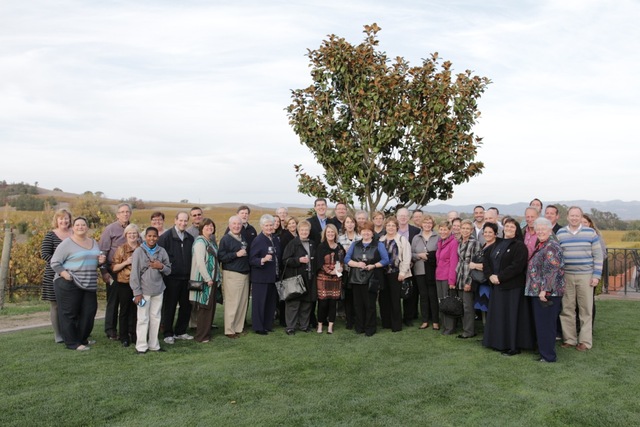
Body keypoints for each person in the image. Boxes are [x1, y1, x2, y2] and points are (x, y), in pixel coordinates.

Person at [50, 216, 106, 351]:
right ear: (73, 228)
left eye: (83, 225)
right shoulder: (66, 243)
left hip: (89, 283)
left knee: (89, 312)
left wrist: (100, 261)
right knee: (69, 313)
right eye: (77, 225)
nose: (80, 227)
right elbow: (55, 262)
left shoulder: (93, 242)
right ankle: (72, 343)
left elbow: (94, 261)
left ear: (87, 227)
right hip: (68, 282)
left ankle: (82, 339)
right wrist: (65, 275)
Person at [482, 217, 535, 356]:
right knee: (499, 317)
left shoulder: (519, 246)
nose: (509, 229)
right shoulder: (497, 243)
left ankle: (513, 346)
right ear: (503, 228)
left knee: (511, 318)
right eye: (507, 226)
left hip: (512, 288)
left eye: (512, 227)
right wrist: (490, 276)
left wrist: (500, 277)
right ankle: (498, 343)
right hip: (497, 287)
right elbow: (486, 260)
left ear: (516, 230)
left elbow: (517, 266)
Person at [557, 206, 603, 351]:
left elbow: (598, 256)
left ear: (581, 216)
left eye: (577, 216)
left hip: (586, 276)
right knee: (567, 308)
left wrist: (596, 276)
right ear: (567, 216)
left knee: (585, 309)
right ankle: (569, 339)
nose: (574, 218)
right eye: (572, 215)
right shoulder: (561, 233)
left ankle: (585, 341)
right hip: (567, 276)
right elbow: (557, 255)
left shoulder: (590, 233)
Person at [525, 218, 565, 362]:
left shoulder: (551, 246)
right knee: (542, 324)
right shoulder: (542, 244)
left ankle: (548, 356)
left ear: (550, 230)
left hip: (547, 293)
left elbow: (552, 270)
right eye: (538, 229)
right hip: (538, 291)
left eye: (543, 229)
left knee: (546, 325)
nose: (540, 231)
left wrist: (545, 290)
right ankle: (544, 353)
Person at [130, 227, 171, 354]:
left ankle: (154, 344)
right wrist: (137, 292)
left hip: (158, 290)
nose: (152, 238)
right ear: (145, 237)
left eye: (154, 236)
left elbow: (169, 270)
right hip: (144, 291)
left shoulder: (162, 251)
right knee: (143, 319)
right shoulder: (138, 251)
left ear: (158, 237)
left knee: (156, 318)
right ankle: (141, 346)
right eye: (149, 236)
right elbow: (134, 274)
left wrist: (161, 266)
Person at [345, 221, 389, 337]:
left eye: (368, 231)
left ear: (372, 233)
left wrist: (373, 266)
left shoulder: (378, 245)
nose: (366, 233)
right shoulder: (355, 244)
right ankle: (360, 326)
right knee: (358, 305)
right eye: (364, 231)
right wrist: (357, 264)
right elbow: (346, 259)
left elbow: (385, 260)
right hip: (356, 278)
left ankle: (370, 327)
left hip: (371, 279)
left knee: (369, 305)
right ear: (360, 232)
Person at [158, 211, 195, 344]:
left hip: (186, 278)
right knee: (170, 306)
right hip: (171, 278)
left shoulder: (190, 238)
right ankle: (168, 333)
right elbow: (160, 258)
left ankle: (181, 331)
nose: (183, 223)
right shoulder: (166, 237)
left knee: (186, 306)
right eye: (180, 220)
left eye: (185, 221)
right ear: (175, 220)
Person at [99, 203, 131, 340]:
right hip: (113, 270)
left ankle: (129, 329)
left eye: (127, 212)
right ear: (117, 215)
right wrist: (104, 272)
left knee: (128, 301)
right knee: (113, 301)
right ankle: (111, 330)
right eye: (122, 212)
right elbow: (102, 252)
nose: (125, 214)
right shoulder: (110, 229)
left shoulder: (132, 229)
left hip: (130, 272)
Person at [40, 208, 73, 343]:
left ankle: (71, 333)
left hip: (73, 274)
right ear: (56, 220)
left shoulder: (74, 234)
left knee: (72, 304)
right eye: (61, 218)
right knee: (55, 305)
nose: (64, 221)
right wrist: (60, 264)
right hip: (53, 275)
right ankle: (58, 335)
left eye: (66, 218)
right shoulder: (51, 235)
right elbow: (45, 254)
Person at [188, 218, 221, 343]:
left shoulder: (210, 241)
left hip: (213, 280)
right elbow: (200, 263)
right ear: (202, 228)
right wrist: (207, 278)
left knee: (209, 308)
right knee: (203, 308)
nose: (209, 228)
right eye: (206, 226)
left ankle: (206, 333)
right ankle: (201, 336)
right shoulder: (200, 242)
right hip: (204, 281)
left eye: (211, 226)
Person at [218, 215, 251, 339]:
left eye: (239, 224)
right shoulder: (225, 239)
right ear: (229, 225)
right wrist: (236, 254)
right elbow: (221, 257)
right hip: (232, 274)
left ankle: (238, 328)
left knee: (242, 303)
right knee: (233, 303)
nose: (237, 226)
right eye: (234, 224)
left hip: (244, 273)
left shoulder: (243, 238)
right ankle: (229, 330)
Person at [282, 220, 316, 335]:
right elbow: (285, 260)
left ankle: (304, 325)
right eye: (302, 230)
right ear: (298, 230)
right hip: (296, 278)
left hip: (309, 277)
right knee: (293, 304)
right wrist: (298, 260)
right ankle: (290, 327)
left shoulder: (312, 243)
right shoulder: (293, 243)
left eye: (306, 230)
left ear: (309, 231)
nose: (304, 232)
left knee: (306, 303)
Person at [249, 214, 281, 335]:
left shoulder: (275, 239)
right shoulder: (258, 240)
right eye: (266, 225)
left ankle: (268, 325)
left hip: (273, 277)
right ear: (262, 226)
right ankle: (258, 327)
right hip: (261, 277)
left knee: (270, 303)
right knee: (259, 303)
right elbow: (252, 260)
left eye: (271, 225)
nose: (269, 227)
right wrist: (262, 260)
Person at [379, 217, 412, 332]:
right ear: (385, 227)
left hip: (396, 273)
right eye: (388, 225)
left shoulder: (402, 240)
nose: (391, 228)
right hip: (382, 273)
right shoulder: (381, 240)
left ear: (397, 227)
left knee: (395, 299)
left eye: (393, 225)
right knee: (383, 299)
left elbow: (407, 257)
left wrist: (403, 272)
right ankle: (386, 323)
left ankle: (396, 325)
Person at [110, 224, 141, 347]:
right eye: (130, 233)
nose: (132, 235)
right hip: (124, 284)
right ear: (126, 235)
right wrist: (126, 262)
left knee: (137, 310)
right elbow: (114, 267)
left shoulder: (142, 248)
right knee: (124, 310)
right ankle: (124, 336)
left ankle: (134, 334)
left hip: (139, 285)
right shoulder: (121, 249)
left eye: (134, 233)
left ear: (138, 235)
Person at [315, 224, 345, 334]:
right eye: (328, 232)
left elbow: (340, 262)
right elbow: (319, 262)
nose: (330, 234)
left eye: (332, 232)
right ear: (325, 234)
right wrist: (329, 271)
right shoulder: (321, 246)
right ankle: (320, 325)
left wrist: (337, 271)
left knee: (333, 303)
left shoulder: (339, 247)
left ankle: (330, 327)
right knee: (322, 303)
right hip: (323, 278)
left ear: (335, 234)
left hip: (336, 278)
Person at [453, 219, 481, 339]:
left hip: (468, 277)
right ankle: (465, 328)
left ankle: (469, 331)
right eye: (463, 228)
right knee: (462, 305)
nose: (465, 231)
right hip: (459, 276)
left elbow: (475, 263)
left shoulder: (475, 243)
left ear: (471, 230)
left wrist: (469, 282)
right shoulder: (459, 241)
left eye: (467, 229)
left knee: (468, 307)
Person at [411, 214, 439, 330]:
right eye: (425, 223)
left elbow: (441, 253)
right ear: (421, 224)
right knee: (423, 296)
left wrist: (430, 257)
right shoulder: (416, 238)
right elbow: (411, 254)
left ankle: (436, 321)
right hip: (420, 270)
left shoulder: (437, 237)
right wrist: (419, 255)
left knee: (433, 295)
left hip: (433, 271)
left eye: (429, 223)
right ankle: (425, 320)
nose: (427, 225)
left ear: (432, 225)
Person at [470, 223, 498, 324]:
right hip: (481, 282)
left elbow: (493, 266)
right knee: (483, 308)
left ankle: (490, 334)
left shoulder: (496, 247)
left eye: (490, 232)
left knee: (489, 308)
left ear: (495, 234)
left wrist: (475, 266)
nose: (487, 234)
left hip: (488, 283)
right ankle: (486, 333)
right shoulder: (484, 245)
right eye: (485, 232)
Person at [435, 221, 459, 335]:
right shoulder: (440, 242)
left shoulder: (453, 242)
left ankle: (450, 327)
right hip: (439, 275)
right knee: (442, 301)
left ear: (450, 231)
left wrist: (452, 280)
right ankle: (444, 325)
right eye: (441, 229)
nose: (443, 232)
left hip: (447, 277)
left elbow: (454, 262)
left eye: (445, 230)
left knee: (448, 301)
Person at [338, 214, 361, 329]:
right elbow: (336, 256)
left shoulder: (360, 238)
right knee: (347, 296)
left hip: (358, 271)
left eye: (352, 222)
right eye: (347, 222)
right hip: (345, 271)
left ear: (355, 224)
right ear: (344, 225)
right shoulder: (340, 238)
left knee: (357, 296)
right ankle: (349, 320)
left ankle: (358, 318)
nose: (350, 224)